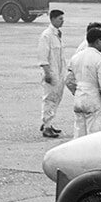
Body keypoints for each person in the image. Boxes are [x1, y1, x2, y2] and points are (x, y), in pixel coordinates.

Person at [65, 27, 101, 138]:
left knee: (79, 134)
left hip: (79, 97)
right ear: (97, 41)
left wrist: (77, 92)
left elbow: (68, 81)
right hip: (93, 98)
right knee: (94, 136)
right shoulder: (99, 58)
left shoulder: (76, 57)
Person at [37, 9, 66, 138]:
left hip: (59, 72)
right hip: (51, 72)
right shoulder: (46, 35)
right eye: (60, 19)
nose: (62, 21)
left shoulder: (58, 34)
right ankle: (46, 126)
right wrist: (47, 73)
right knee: (49, 99)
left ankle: (48, 122)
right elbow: (43, 56)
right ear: (52, 19)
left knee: (57, 98)